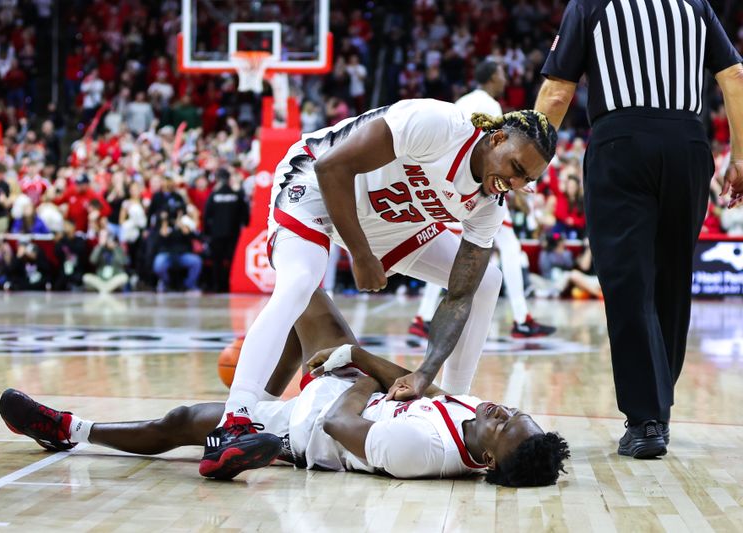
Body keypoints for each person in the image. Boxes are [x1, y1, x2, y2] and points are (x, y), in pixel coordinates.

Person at [202, 98, 557, 479]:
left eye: (527, 180)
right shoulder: (440, 125)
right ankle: (234, 420)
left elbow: (459, 295)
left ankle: (457, 403)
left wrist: (425, 374)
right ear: (497, 138)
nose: (516, 183)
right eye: (516, 168)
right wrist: (361, 254)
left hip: (389, 223)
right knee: (301, 281)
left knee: (487, 280)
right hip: (318, 185)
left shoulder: (489, 205)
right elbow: (332, 166)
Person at [0, 289, 569, 486]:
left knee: (177, 422)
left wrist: (354, 370)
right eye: (509, 410)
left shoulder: (426, 454)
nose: (497, 408)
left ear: (490, 462)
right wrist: (359, 359)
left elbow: (338, 426)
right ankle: (245, 407)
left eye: (502, 422)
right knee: (304, 291)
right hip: (341, 387)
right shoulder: (473, 420)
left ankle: (70, 430)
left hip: (304, 432)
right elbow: (418, 388)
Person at [534, 0, 743, 458]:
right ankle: (657, 409)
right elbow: (734, 76)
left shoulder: (590, 5)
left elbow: (556, 92)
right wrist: (741, 157)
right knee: (671, 282)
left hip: (621, 144)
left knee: (630, 283)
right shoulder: (696, 5)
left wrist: (528, 161)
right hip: (688, 144)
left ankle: (646, 420)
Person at [410, 60, 556, 339]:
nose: (505, 78)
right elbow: (491, 156)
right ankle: (521, 318)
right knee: (506, 250)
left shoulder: (465, 100)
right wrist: (516, 180)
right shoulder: (489, 106)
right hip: (481, 190)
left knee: (457, 250)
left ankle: (423, 315)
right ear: (491, 77)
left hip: (456, 184)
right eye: (501, 73)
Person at [203, 167, 249, 292]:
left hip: (216, 234)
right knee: (232, 260)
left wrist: (207, 233)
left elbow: (206, 215)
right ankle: (230, 285)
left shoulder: (214, 195)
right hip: (233, 234)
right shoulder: (237, 195)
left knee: (217, 261)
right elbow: (245, 215)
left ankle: (217, 286)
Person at [83, 230, 129, 294]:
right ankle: (106, 289)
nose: (109, 241)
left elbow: (123, 262)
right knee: (86, 277)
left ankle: (104, 290)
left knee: (124, 277)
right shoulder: (100, 249)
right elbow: (92, 260)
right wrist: (100, 246)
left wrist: (115, 248)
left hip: (114, 280)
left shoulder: (118, 249)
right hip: (101, 280)